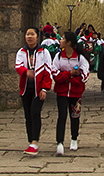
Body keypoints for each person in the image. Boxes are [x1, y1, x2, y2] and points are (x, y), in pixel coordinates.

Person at [51, 31, 89, 156]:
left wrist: (68, 77)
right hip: (61, 92)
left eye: (62, 38)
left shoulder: (80, 58)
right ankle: (60, 142)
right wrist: (70, 74)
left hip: (75, 93)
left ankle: (74, 138)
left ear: (68, 43)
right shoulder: (58, 57)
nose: (60, 40)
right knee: (61, 116)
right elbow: (55, 74)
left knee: (75, 116)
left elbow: (84, 76)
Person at [15, 27, 51, 156]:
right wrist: (26, 72)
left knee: (35, 112)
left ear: (37, 36)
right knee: (28, 116)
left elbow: (48, 70)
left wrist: (45, 88)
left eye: (32, 34)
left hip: (38, 88)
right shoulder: (21, 51)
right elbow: (18, 66)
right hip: (26, 88)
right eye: (27, 34)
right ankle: (31, 141)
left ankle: (35, 142)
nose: (29, 36)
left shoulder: (44, 52)